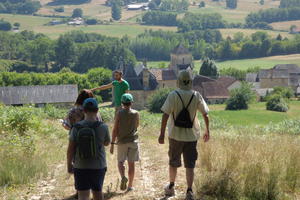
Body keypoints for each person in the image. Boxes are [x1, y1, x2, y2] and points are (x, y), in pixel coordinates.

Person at [158, 70, 210, 200]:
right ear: (191, 82)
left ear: (178, 82)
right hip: (191, 137)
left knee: (173, 162)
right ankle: (189, 191)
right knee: (190, 165)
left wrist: (162, 133)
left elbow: (165, 115)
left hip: (175, 135)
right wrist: (207, 130)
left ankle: (171, 187)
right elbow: (205, 114)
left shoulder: (173, 95)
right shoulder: (197, 95)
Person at [67, 98, 111, 200]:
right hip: (98, 166)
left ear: (84, 111)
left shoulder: (76, 128)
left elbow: (70, 149)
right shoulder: (103, 127)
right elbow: (107, 143)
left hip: (80, 166)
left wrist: (69, 165)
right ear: (97, 110)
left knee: (82, 195)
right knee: (98, 193)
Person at [110, 93, 140, 192]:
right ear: (131, 103)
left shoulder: (119, 113)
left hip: (122, 142)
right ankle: (130, 186)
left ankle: (123, 177)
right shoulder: (136, 113)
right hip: (133, 141)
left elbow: (115, 129)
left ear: (122, 103)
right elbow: (137, 126)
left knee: (120, 162)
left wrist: (112, 144)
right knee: (131, 164)